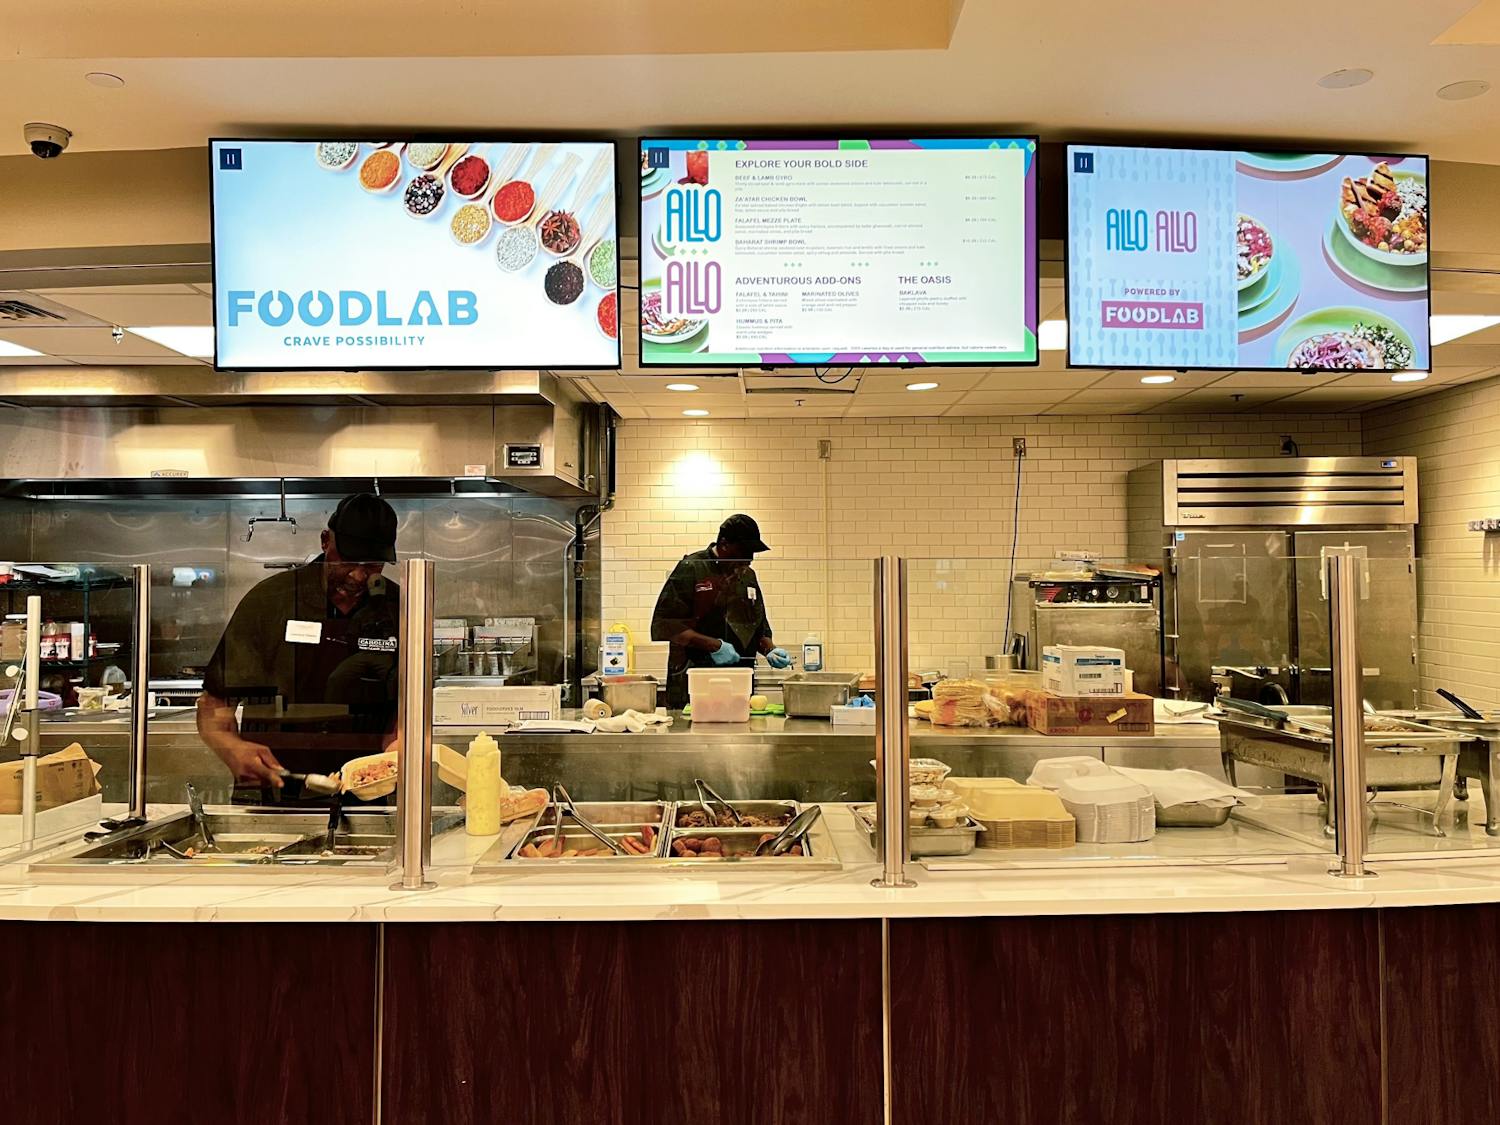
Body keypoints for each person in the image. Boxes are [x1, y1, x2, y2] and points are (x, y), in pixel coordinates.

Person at [196, 493, 401, 803]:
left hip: (366, 795)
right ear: (324, 541)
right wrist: (231, 747)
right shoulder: (271, 600)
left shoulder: (399, 607)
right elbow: (214, 703)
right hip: (272, 794)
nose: (359, 576)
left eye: (372, 565)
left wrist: (398, 748)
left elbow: (407, 705)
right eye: (349, 561)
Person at [649, 514, 791, 710]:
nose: (749, 559)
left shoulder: (747, 575)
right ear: (724, 544)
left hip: (738, 683)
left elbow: (758, 627)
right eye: (744, 550)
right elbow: (665, 625)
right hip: (693, 682)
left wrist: (770, 649)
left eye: (753, 552)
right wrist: (714, 646)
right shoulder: (692, 568)